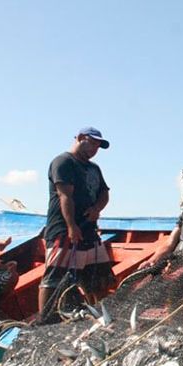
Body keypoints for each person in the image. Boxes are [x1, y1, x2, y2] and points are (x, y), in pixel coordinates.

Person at [38, 127, 114, 315]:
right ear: (80, 138)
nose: (95, 149)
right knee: (54, 280)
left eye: (98, 146)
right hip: (64, 232)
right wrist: (71, 226)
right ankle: (44, 320)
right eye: (93, 143)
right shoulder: (63, 162)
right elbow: (65, 195)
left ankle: (101, 317)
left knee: (100, 279)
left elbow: (104, 193)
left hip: (89, 232)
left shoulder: (94, 168)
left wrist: (96, 209)